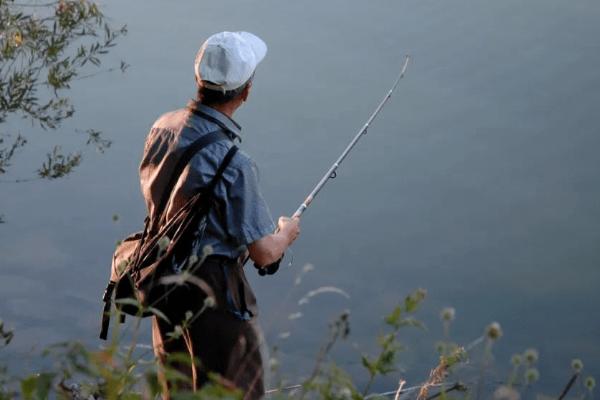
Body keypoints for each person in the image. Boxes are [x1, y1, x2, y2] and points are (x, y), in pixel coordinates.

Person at [139, 31, 300, 399]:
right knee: (234, 391)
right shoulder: (235, 163)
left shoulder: (161, 127)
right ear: (245, 92)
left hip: (162, 274)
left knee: (177, 389)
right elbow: (263, 253)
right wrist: (286, 232)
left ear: (199, 80)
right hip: (213, 293)